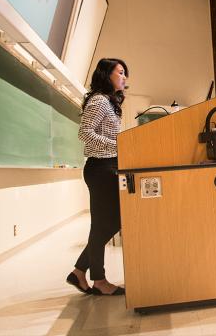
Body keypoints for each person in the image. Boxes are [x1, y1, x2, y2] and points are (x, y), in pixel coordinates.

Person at [68, 58, 128, 296]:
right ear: (107, 75)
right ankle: (99, 279)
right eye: (120, 72)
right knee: (107, 223)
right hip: (101, 168)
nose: (124, 77)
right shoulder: (99, 100)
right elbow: (85, 133)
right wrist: (118, 145)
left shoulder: (109, 101)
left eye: (125, 73)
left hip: (109, 166)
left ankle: (80, 272)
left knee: (109, 222)